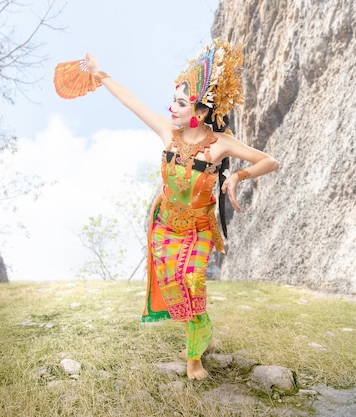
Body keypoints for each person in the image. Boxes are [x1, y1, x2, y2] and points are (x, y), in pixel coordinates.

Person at [83, 40, 279, 380]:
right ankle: (202, 330)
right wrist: (100, 75)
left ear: (200, 113)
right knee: (175, 286)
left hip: (200, 228)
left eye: (179, 103)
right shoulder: (168, 134)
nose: (171, 108)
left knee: (192, 280)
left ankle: (194, 360)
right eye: (173, 101)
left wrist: (236, 175)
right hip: (166, 225)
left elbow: (270, 161)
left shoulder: (220, 144)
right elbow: (132, 101)